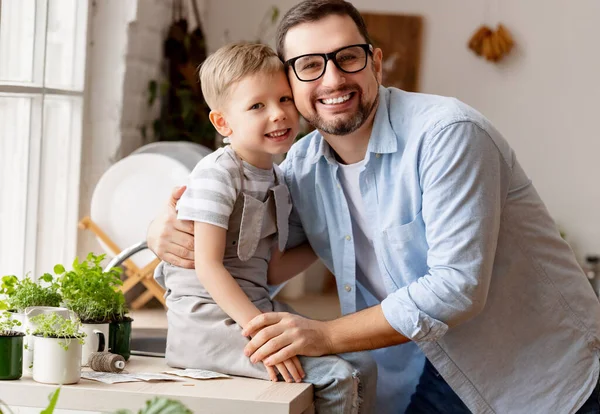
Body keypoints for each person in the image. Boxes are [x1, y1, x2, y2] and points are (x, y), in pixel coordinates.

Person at [147, 1, 600, 413]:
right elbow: (251, 246)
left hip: (543, 381)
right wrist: (159, 231)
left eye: (347, 57)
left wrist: (323, 335)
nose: (332, 79)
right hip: (420, 375)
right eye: (308, 66)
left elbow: (457, 286)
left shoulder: (448, 134)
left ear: (376, 63)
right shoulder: (301, 169)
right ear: (291, 80)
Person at [152, 42, 376, 414]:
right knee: (334, 376)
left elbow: (270, 269)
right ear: (223, 122)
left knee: (364, 362)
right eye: (257, 106)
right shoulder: (217, 174)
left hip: (252, 310)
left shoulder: (275, 178)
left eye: (285, 99)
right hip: (207, 323)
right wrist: (262, 332)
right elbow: (208, 266)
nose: (279, 114)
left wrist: (338, 234)